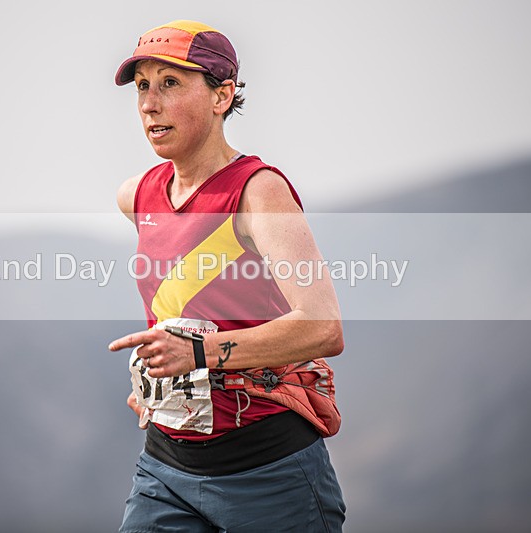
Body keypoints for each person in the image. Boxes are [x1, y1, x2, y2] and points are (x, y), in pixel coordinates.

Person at [108, 20, 346, 532]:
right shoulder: (137, 196)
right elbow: (179, 296)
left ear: (222, 95)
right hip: (165, 466)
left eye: (170, 83)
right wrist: (153, 375)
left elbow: (324, 327)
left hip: (268, 471)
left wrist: (196, 355)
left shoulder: (259, 192)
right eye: (143, 86)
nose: (150, 103)